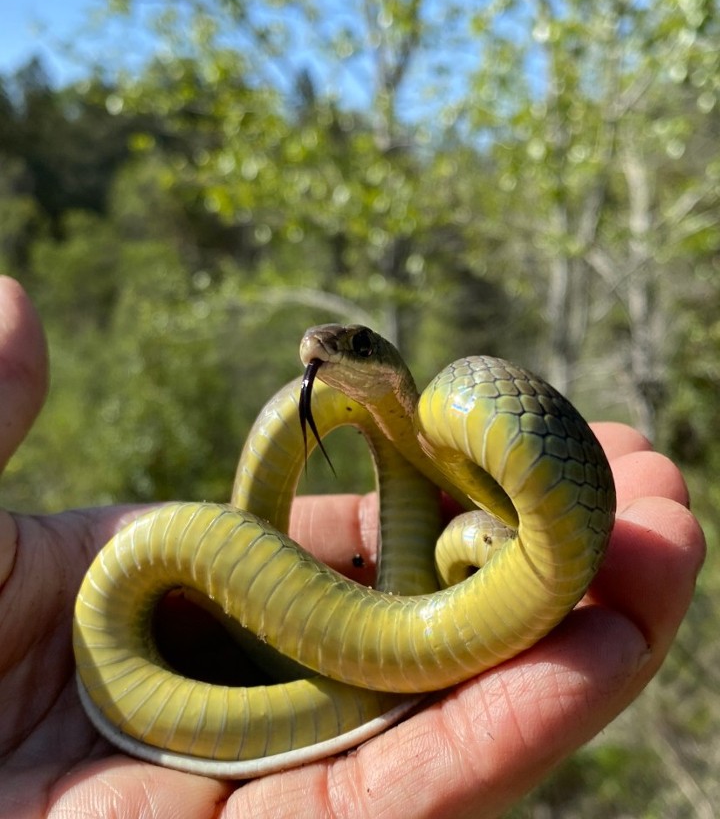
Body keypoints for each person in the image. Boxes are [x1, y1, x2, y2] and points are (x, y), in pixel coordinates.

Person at [0, 274, 705, 819]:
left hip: (482, 558)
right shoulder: (368, 412)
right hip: (107, 665)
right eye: (322, 349)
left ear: (385, 361)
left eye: (357, 347)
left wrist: (472, 540)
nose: (326, 353)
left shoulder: (446, 401)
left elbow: (500, 510)